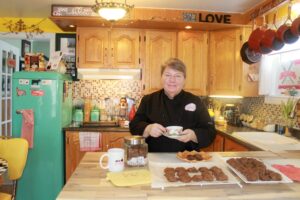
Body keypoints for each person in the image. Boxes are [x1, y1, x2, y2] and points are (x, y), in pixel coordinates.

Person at [129, 58, 216, 152]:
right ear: (161, 77)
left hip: (188, 159)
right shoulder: (148, 100)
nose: (172, 80)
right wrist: (148, 128)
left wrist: (193, 135)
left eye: (177, 76)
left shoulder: (196, 101)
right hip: (155, 159)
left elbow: (210, 132)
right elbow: (134, 125)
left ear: (184, 80)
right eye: (168, 75)